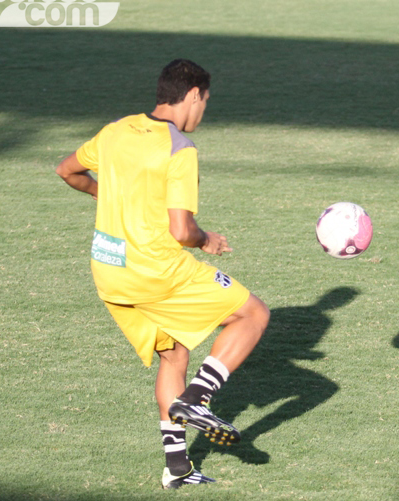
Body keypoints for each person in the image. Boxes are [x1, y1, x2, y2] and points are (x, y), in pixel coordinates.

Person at [56, 59, 270, 487]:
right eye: (205, 102)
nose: (203, 113)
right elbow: (181, 230)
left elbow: (67, 170)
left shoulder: (116, 129)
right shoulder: (179, 148)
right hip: (154, 271)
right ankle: (198, 398)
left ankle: (177, 470)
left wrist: (110, 196)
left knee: (174, 354)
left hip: (108, 272)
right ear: (192, 94)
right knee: (254, 314)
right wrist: (206, 238)